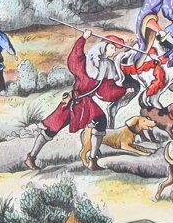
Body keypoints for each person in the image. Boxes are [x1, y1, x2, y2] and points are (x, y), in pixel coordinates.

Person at [29, 28, 130, 170]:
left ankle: (93, 160)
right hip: (73, 102)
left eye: (115, 49)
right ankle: (31, 157)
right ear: (103, 47)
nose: (114, 52)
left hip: (87, 104)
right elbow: (74, 59)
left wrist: (124, 90)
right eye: (112, 48)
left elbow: (106, 91)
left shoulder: (107, 67)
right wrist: (83, 38)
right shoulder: (87, 63)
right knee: (51, 129)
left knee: (101, 121)